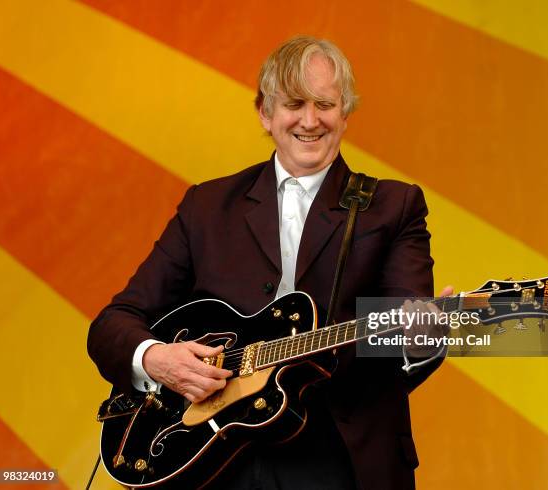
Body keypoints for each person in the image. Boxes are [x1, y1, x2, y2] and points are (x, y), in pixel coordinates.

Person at [88, 35, 451, 490]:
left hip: (340, 459)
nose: (310, 120)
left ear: (345, 112)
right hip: (211, 460)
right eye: (294, 103)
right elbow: (113, 323)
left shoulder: (394, 205)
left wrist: (424, 337)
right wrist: (156, 359)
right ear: (265, 112)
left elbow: (402, 334)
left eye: (325, 104)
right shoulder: (206, 206)